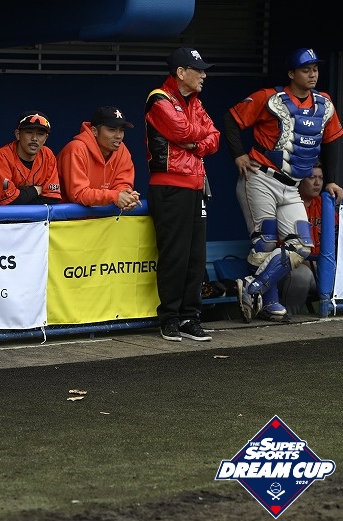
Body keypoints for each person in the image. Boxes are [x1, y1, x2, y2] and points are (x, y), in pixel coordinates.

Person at [223, 47, 343, 323]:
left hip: (292, 186)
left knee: (302, 245)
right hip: (261, 178)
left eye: (315, 69)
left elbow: (332, 140)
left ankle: (252, 287)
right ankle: (270, 302)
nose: (312, 74)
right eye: (306, 70)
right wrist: (238, 154)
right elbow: (231, 118)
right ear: (291, 73)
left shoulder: (324, 103)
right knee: (265, 242)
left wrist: (332, 180)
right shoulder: (269, 97)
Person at [145, 47, 220, 342]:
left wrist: (196, 144)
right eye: (198, 70)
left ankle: (190, 317)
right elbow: (182, 132)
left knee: (195, 257)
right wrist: (195, 136)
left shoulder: (195, 102)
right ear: (181, 72)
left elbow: (214, 138)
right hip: (169, 186)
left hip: (196, 185)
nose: (203, 75)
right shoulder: (159, 98)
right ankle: (169, 318)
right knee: (174, 256)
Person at [279, 160, 336, 315]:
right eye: (312, 178)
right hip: (292, 268)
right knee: (302, 275)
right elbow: (283, 249)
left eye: (320, 178)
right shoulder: (288, 204)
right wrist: (313, 264)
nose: (317, 183)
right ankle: (289, 318)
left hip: (322, 269)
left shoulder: (325, 204)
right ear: (301, 180)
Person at [57, 106, 141, 209]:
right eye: (112, 130)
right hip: (64, 217)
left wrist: (126, 195)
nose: (118, 136)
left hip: (98, 216)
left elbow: (121, 184)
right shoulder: (76, 150)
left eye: (121, 130)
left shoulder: (122, 150)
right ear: (94, 131)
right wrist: (115, 196)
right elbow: (78, 194)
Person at [0, 111, 61, 205]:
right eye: (29, 132)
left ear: (46, 138)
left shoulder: (48, 155)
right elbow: (7, 202)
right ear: (18, 134)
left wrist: (22, 195)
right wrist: (35, 190)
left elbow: (51, 199)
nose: (34, 138)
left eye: (40, 134)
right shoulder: (1, 157)